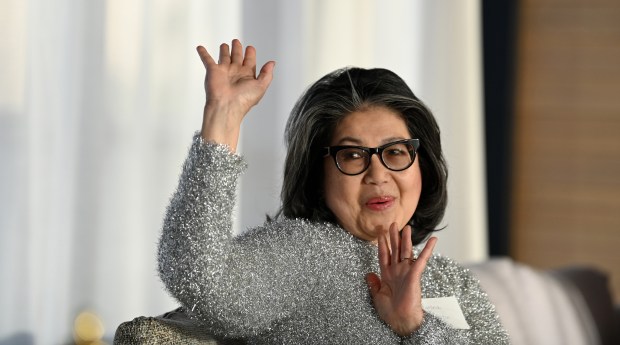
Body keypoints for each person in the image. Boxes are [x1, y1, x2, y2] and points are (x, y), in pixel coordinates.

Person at [158, 39, 509, 344]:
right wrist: (223, 117)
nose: (378, 174)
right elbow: (201, 279)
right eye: (353, 155)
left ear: (423, 166)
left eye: (396, 152)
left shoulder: (453, 280)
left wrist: (414, 325)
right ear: (318, 175)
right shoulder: (300, 254)